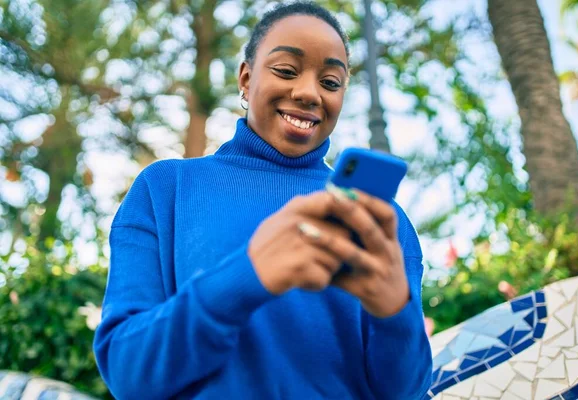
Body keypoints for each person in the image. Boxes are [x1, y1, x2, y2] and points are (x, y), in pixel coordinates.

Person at [93, 1, 433, 399]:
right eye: (286, 71)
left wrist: (395, 312)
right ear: (246, 78)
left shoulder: (380, 220)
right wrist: (248, 274)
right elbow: (127, 372)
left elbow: (406, 391)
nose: (308, 93)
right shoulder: (165, 189)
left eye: (330, 82)